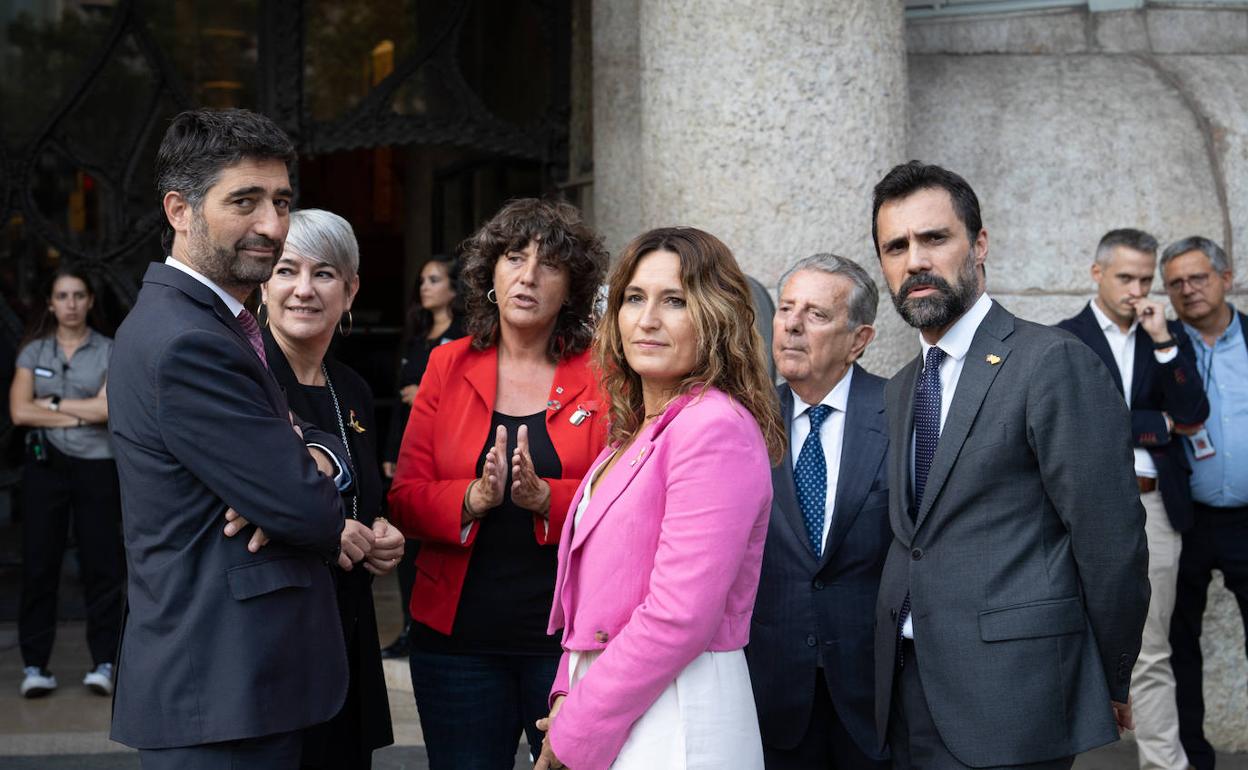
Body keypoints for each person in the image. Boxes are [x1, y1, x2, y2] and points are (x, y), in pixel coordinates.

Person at [870, 161, 1150, 769]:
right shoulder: (900, 389)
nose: (915, 260)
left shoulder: (1051, 362)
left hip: (1013, 697)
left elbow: (1111, 540)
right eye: (895, 247)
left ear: (980, 244)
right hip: (904, 691)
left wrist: (1109, 671)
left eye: (934, 238)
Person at [108, 108, 360, 769]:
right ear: (180, 210)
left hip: (238, 688)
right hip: (221, 697)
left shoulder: (214, 321)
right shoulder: (190, 339)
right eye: (244, 201)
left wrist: (303, 459)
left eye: (281, 201)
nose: (273, 226)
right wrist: (299, 481)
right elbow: (311, 511)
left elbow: (303, 456)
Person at [534, 226, 786, 770]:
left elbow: (680, 615)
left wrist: (578, 720)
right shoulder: (637, 432)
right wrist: (566, 693)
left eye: (674, 300)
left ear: (714, 316)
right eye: (633, 298)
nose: (647, 319)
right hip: (617, 699)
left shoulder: (713, 426)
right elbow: (590, 597)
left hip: (678, 709)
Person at [387, 198, 609, 769]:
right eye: (515, 257)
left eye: (549, 264)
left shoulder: (604, 374)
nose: (528, 276)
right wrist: (471, 498)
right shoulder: (447, 364)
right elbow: (406, 498)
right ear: (491, 273)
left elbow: (624, 503)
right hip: (457, 645)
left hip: (567, 644)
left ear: (572, 288)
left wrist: (546, 500)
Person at [245, 208, 403, 769]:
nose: (304, 290)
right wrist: (327, 530)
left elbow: (364, 502)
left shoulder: (354, 388)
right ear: (263, 282)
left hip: (345, 632)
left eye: (325, 274)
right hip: (269, 643)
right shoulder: (242, 376)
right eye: (287, 271)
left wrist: (382, 532)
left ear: (351, 289)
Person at [1055, 228, 1208, 770]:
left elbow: (1192, 415)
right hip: (1080, 513)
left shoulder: (1164, 335)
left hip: (1155, 507)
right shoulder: (1061, 339)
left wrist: (1165, 341)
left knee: (1152, 649)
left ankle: (1167, 765)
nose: (1137, 289)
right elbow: (1073, 428)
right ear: (1097, 274)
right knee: (1060, 640)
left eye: (1145, 278)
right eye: (1126, 277)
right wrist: (1152, 424)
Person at [746, 253, 891, 769]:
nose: (791, 325)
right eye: (786, 309)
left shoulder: (901, 413)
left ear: (859, 339)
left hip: (875, 698)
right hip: (773, 686)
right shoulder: (747, 421)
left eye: (816, 314)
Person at [10, 267, 123, 698]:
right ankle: (35, 665)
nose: (71, 304)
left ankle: (105, 662)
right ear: (51, 303)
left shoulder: (111, 349)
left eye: (79, 295)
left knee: (102, 565)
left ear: (91, 301)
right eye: (63, 296)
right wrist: (82, 410)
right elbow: (20, 412)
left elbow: (110, 410)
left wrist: (53, 404)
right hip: (46, 469)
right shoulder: (33, 351)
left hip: (97, 466)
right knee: (40, 565)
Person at [1161, 236, 1248, 770]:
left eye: (1198, 278)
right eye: (1176, 283)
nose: (1188, 289)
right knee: (1178, 647)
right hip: (1183, 519)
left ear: (1226, 277)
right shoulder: (1159, 344)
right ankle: (1194, 760)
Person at [381, 254, 464, 660]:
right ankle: (408, 626)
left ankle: (431, 625)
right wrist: (390, 450)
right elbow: (400, 400)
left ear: (454, 288)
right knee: (405, 544)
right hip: (408, 451)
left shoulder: (466, 339)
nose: (425, 288)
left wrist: (428, 396)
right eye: (423, 280)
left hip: (446, 453)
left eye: (434, 280)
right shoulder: (417, 337)